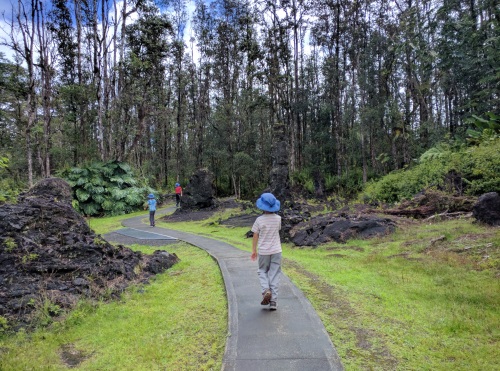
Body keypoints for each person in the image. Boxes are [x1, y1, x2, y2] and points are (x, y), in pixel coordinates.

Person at [251, 192, 282, 311]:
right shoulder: (278, 218)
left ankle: (265, 290)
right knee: (274, 274)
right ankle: (273, 301)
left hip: (264, 251)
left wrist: (254, 250)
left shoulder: (259, 220)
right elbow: (277, 230)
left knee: (262, 271)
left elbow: (255, 235)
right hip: (277, 251)